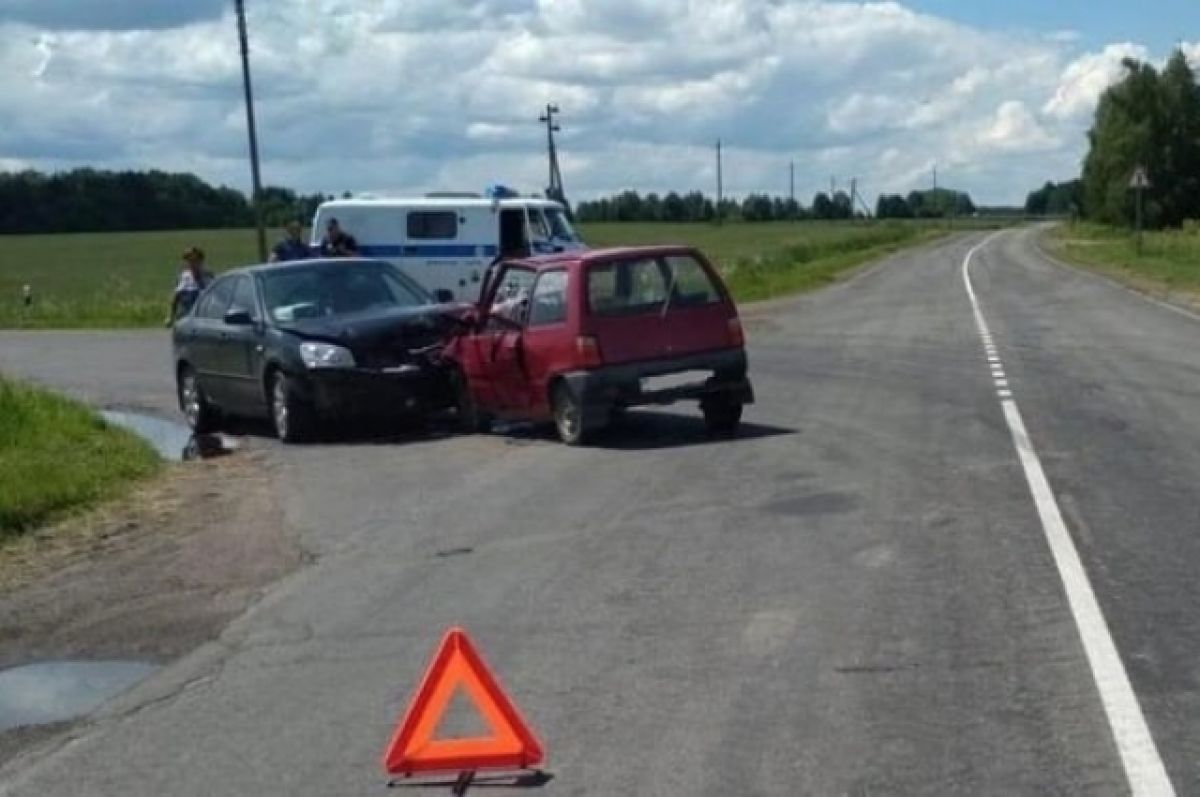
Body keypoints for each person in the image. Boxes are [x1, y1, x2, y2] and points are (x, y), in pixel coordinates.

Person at [167, 247, 214, 325]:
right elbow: (175, 297)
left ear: (201, 261)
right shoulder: (184, 276)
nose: (191, 263)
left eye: (194, 261)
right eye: (189, 261)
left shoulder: (208, 276)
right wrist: (171, 317)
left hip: (204, 318)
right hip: (186, 317)